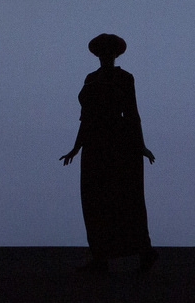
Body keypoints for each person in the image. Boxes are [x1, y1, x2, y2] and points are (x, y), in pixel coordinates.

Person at [60, 33, 159, 274]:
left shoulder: (125, 78)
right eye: (102, 52)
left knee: (128, 199)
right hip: (95, 144)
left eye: (109, 52)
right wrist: (77, 146)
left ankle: (144, 252)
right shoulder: (90, 79)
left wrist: (140, 145)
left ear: (115, 55)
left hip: (119, 144)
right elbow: (86, 117)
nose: (106, 56)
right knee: (95, 200)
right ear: (98, 55)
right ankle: (100, 257)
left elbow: (133, 113)